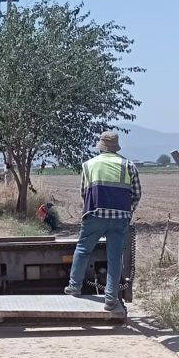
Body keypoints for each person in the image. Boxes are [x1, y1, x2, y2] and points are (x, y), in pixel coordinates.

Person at [64, 131, 141, 315]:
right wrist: (127, 212)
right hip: (120, 218)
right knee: (115, 259)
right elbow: (136, 194)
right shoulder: (128, 165)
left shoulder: (88, 165)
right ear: (116, 147)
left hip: (95, 215)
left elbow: (84, 192)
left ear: (100, 147)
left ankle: (74, 287)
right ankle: (110, 299)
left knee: (83, 250)